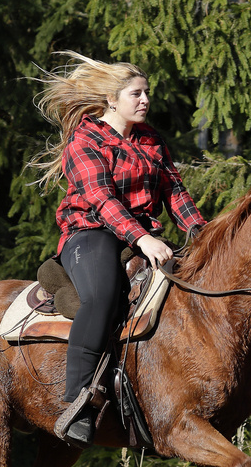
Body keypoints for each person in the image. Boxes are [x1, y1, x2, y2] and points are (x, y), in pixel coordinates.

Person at [30, 53, 207, 447]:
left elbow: (175, 192)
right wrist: (141, 238)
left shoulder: (152, 139)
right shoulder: (85, 140)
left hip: (145, 235)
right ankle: (77, 399)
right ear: (112, 99)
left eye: (147, 93)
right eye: (136, 93)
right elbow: (101, 199)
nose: (145, 100)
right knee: (103, 297)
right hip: (91, 232)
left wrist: (203, 235)